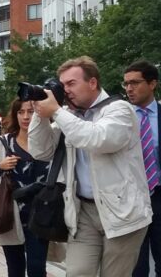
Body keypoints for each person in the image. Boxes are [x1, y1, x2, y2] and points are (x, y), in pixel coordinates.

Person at [29, 56, 152, 276]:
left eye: (71, 84)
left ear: (92, 83)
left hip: (122, 212)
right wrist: (40, 113)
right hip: (83, 211)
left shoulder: (120, 109)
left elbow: (97, 139)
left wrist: (56, 111)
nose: (65, 90)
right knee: (76, 272)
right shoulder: (71, 116)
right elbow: (41, 150)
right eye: (62, 85)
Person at [0, 99, 51, 277]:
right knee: (15, 268)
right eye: (21, 112)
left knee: (37, 268)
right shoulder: (3, 143)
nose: (26, 116)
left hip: (41, 215)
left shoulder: (48, 142)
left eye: (31, 112)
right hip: (10, 215)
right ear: (15, 115)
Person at [125, 60, 161, 277]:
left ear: (152, 84)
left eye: (135, 83)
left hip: (159, 194)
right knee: (136, 264)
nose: (129, 89)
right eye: (126, 84)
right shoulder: (120, 118)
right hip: (132, 197)